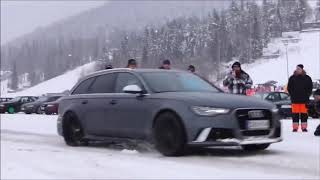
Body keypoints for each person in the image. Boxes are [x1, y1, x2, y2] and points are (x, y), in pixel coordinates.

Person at [287, 64, 313, 132]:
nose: (297, 70)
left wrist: (307, 95)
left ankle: (304, 128)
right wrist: (292, 95)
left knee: (304, 115)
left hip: (304, 101)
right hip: (295, 100)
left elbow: (310, 88)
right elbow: (289, 88)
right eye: (297, 68)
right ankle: (295, 128)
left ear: (302, 69)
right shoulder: (292, 78)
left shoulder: (307, 78)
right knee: (295, 115)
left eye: (299, 69)